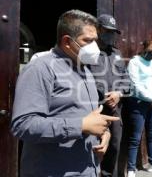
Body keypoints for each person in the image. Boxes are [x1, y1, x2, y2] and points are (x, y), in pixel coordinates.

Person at [11, 9, 119, 177]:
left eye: (95, 40)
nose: (95, 47)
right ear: (67, 41)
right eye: (88, 41)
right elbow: (23, 125)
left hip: (88, 169)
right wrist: (81, 126)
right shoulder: (41, 68)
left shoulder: (86, 71)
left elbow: (88, 117)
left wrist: (104, 133)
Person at [89, 14, 130, 177]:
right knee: (94, 147)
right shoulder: (87, 52)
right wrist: (103, 97)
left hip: (115, 112)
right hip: (94, 110)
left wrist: (118, 94)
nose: (111, 35)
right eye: (107, 31)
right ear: (97, 29)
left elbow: (126, 81)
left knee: (114, 147)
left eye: (113, 32)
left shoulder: (117, 54)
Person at [126, 40, 152, 177]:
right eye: (150, 50)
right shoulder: (135, 62)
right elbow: (135, 84)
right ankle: (131, 169)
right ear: (143, 48)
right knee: (135, 137)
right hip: (139, 103)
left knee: (151, 135)